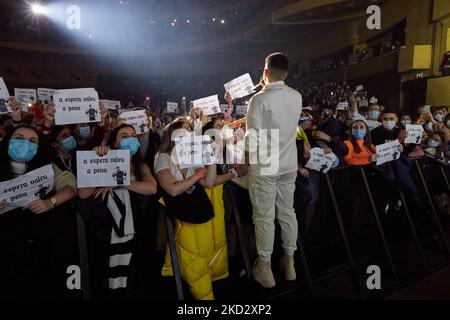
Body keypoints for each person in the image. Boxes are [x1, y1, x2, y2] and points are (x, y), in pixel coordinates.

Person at [78, 124, 157, 296]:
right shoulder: (104, 158)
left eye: (133, 135)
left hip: (136, 233)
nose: (130, 138)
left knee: (134, 282)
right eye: (124, 135)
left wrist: (119, 183)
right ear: (114, 143)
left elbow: (152, 188)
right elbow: (83, 194)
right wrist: (97, 159)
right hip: (106, 237)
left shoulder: (140, 165)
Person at [0, 125, 77, 298]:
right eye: (19, 138)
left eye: (32, 141)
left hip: (38, 248)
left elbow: (70, 185)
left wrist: (50, 202)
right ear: (8, 141)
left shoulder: (46, 165)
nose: (25, 144)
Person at [245, 52, 302, 288]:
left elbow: (252, 136)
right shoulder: (296, 96)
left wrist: (244, 160)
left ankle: (265, 269)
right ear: (286, 73)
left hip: (267, 163)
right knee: (287, 213)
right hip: (289, 163)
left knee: (264, 218)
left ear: (265, 72)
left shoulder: (259, 99)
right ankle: (289, 264)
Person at [154, 117, 227, 300]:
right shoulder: (163, 157)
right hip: (181, 218)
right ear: (172, 134)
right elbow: (172, 189)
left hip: (199, 214)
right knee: (191, 261)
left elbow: (209, 183)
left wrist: (211, 159)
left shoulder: (191, 157)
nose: (188, 131)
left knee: (203, 256)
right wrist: (197, 175)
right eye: (184, 128)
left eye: (190, 128)